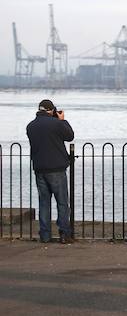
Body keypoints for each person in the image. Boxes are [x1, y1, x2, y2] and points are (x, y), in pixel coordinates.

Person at [26, 99, 75, 244]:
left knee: (44, 203)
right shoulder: (57, 124)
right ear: (51, 110)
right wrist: (62, 120)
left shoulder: (31, 126)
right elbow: (70, 136)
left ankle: (45, 235)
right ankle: (64, 234)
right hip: (56, 168)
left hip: (39, 168)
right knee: (62, 203)